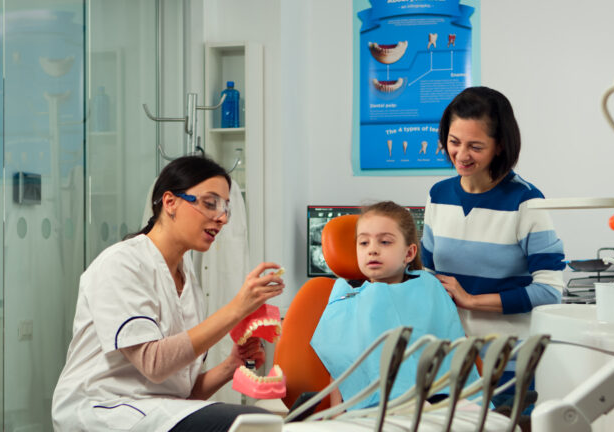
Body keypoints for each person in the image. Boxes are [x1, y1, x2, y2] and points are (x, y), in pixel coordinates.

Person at [52, 155, 285, 432]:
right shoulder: (122, 264)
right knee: (248, 425)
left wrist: (230, 365)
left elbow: (181, 396)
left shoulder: (189, 285)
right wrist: (237, 308)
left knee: (260, 423)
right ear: (170, 203)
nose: (221, 218)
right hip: (101, 411)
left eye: (225, 209)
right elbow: (154, 364)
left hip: (153, 414)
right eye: (210, 204)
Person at [421, 86, 566, 408]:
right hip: (448, 360)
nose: (461, 155)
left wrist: (472, 300)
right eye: (454, 142)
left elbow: (550, 290)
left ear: (499, 146)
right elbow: (427, 274)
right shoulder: (438, 195)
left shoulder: (526, 202)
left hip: (507, 362)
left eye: (475, 146)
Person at [310, 201, 480, 411]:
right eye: (364, 243)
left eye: (385, 242)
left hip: (434, 400)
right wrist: (336, 415)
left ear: (409, 254)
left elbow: (451, 355)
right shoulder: (345, 298)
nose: (372, 250)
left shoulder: (428, 289)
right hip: (369, 409)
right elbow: (340, 364)